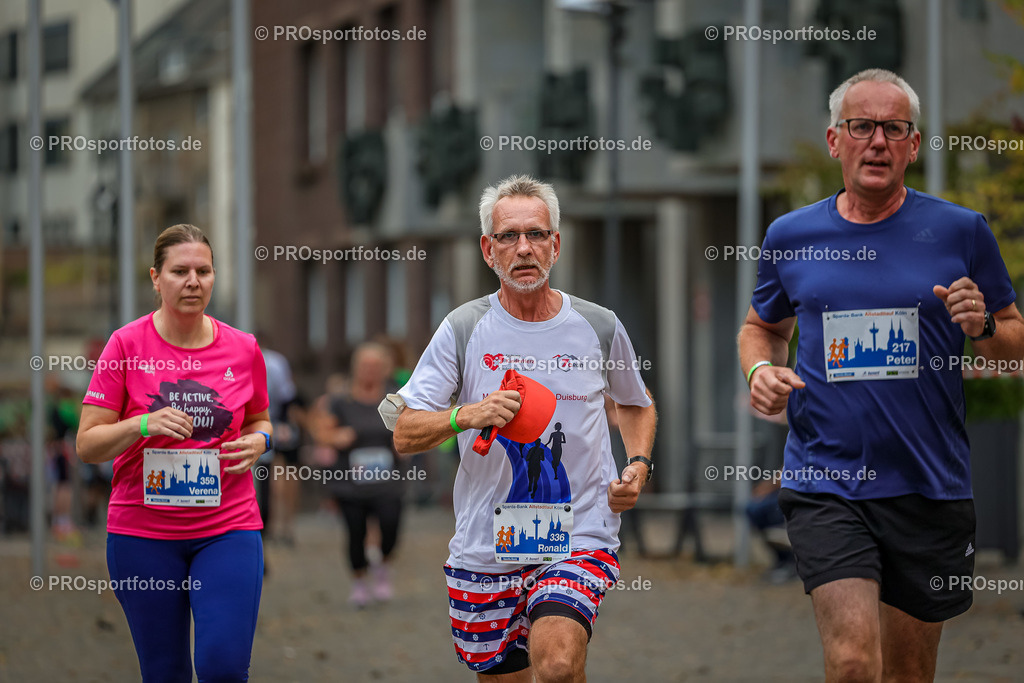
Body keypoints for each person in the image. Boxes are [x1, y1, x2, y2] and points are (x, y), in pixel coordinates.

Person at [738, 69, 1024, 682]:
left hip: (927, 482)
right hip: (826, 480)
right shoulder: (792, 236)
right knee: (851, 662)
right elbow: (760, 327)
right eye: (862, 126)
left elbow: (1014, 345)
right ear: (834, 140)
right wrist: (762, 368)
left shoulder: (960, 230)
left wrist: (981, 329)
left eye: (894, 128)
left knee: (908, 673)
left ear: (913, 145)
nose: (877, 141)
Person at [390, 174, 657, 682]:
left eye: (536, 234)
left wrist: (638, 465)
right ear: (488, 250)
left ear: (556, 244)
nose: (524, 248)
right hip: (485, 544)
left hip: (579, 533)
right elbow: (404, 432)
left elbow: (636, 404)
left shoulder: (598, 325)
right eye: (509, 237)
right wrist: (464, 415)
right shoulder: (464, 328)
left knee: (557, 664)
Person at [77, 224, 271, 683]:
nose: (193, 281)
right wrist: (143, 423)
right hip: (142, 534)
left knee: (223, 667)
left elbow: (261, 420)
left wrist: (262, 442)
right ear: (155, 278)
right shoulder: (126, 345)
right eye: (180, 271)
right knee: (165, 673)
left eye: (203, 270)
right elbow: (86, 444)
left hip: (228, 528)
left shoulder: (243, 349)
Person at [313, 342, 408, 607]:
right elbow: (321, 432)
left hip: (388, 481)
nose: (370, 371)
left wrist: (405, 446)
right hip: (350, 482)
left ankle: (383, 567)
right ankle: (359, 582)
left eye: (376, 366)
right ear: (355, 368)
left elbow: (411, 429)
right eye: (365, 366)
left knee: (391, 527)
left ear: (384, 369)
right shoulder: (340, 400)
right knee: (355, 532)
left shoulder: (395, 398)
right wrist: (336, 436)